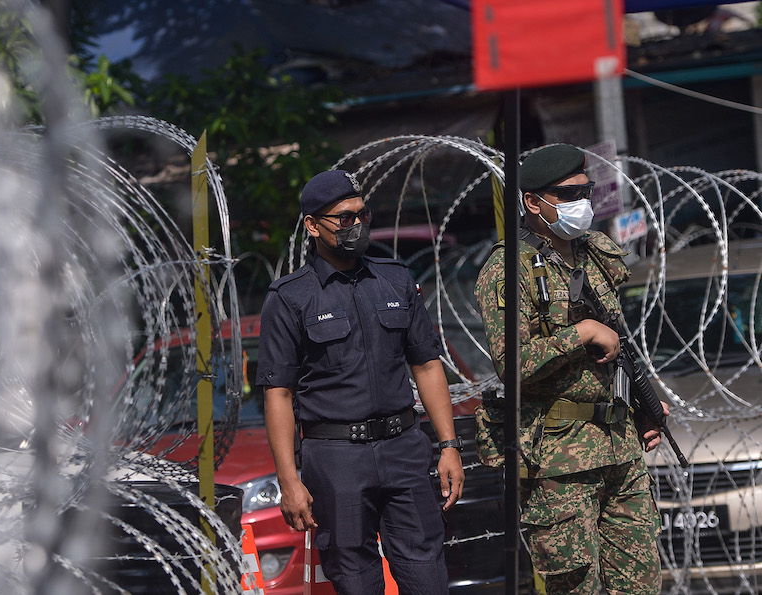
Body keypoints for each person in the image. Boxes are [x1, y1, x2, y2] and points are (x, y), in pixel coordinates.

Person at [256, 169, 464, 595]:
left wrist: (449, 445)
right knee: (355, 580)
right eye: (343, 219)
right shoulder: (290, 298)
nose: (356, 225)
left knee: (427, 576)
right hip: (336, 460)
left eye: (361, 215)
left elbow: (426, 365)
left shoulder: (395, 279)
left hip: (404, 448)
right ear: (313, 226)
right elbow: (278, 393)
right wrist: (289, 480)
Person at [474, 144, 665, 595]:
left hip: (620, 446)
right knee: (576, 586)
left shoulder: (595, 253)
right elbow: (512, 364)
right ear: (532, 202)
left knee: (640, 583)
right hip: (559, 458)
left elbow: (620, 343)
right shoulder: (508, 270)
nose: (582, 202)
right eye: (568, 194)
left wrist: (642, 402)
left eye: (585, 191)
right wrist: (580, 335)